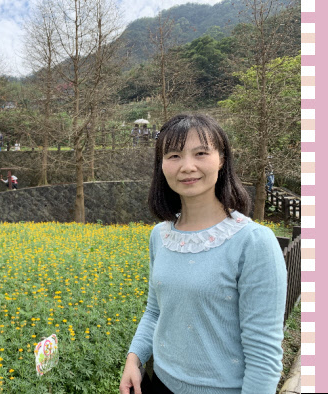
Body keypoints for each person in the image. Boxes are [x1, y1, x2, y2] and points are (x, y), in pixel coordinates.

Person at [119, 114, 286, 394]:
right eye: (174, 155)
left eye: (201, 153)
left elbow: (264, 355)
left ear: (221, 159)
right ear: (161, 165)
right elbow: (155, 311)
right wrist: (133, 359)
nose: (187, 166)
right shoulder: (160, 235)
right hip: (159, 382)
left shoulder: (254, 242)